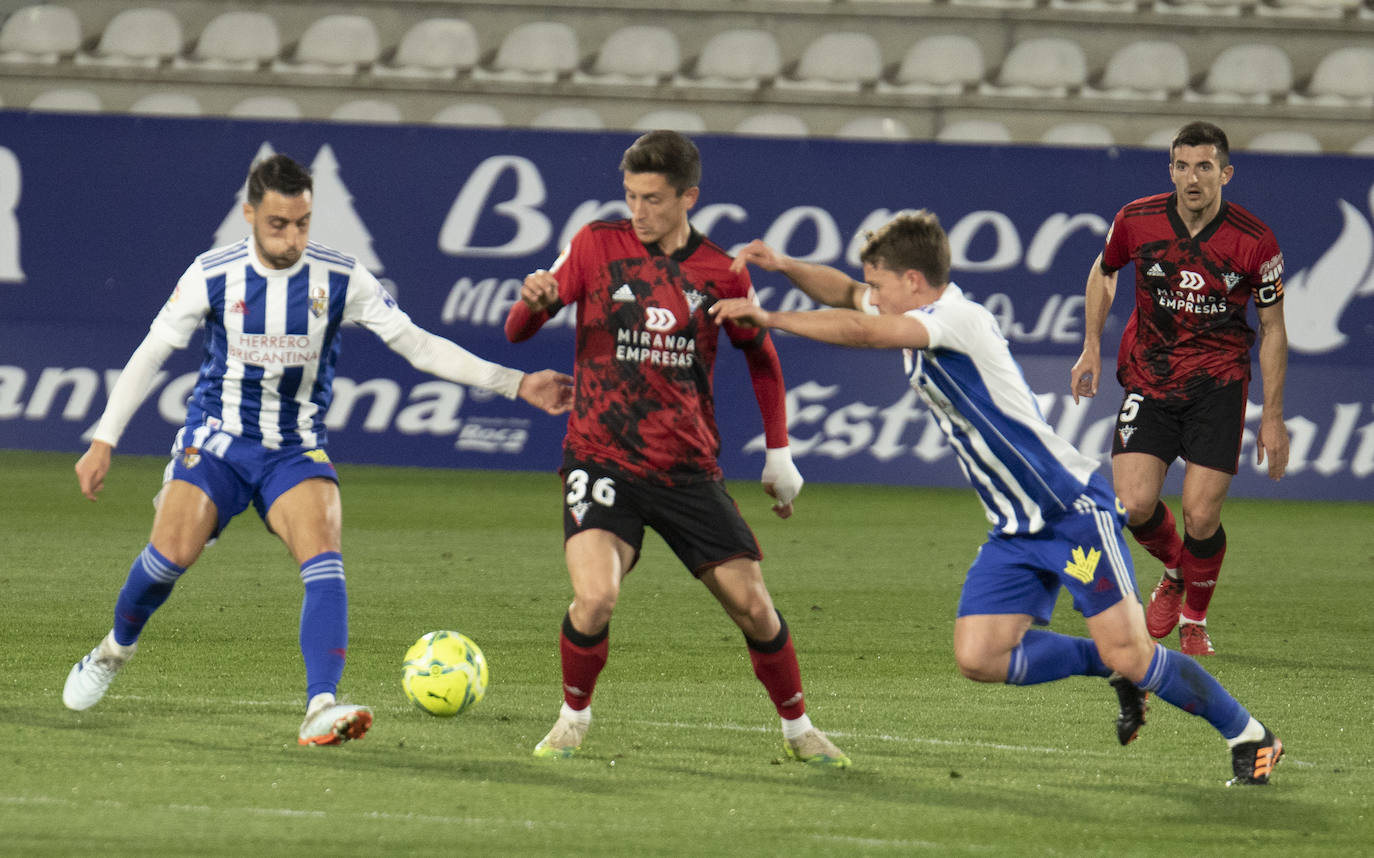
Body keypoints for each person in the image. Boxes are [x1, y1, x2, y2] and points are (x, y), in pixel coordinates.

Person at [717, 211, 1282, 785]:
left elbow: (864, 330)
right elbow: (846, 294)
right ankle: (1110, 668)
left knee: (1136, 653)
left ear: (914, 281)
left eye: (881, 286)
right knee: (980, 656)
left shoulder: (956, 318)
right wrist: (785, 266)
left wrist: (768, 317)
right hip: (1016, 528)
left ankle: (1251, 735)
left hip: (1070, 513)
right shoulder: (913, 306)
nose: (872, 297)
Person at [64, 154, 573, 746]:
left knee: (324, 561)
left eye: (303, 223)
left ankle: (320, 706)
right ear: (251, 215)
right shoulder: (212, 274)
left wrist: (515, 382)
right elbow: (152, 353)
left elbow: (417, 345)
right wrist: (104, 439)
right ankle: (113, 650)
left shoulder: (340, 276)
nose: (293, 237)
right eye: (279, 224)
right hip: (217, 441)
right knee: (168, 557)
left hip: (294, 448)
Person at [503, 130, 849, 767]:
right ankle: (572, 717)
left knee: (754, 607)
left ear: (689, 196)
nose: (639, 211)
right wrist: (535, 305)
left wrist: (779, 454)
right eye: (632, 196)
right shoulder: (593, 245)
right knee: (595, 597)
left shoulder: (722, 273)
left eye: (655, 199)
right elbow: (518, 329)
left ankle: (800, 728)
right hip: (600, 456)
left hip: (687, 469)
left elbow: (763, 359)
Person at [1069, 120, 1289, 657]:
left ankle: (1194, 619)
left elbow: (1274, 327)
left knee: (1200, 515)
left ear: (1226, 173)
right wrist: (1091, 345)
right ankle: (1174, 572)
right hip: (1151, 375)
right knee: (1134, 503)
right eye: (1183, 166)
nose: (1193, 177)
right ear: (1171, 170)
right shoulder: (1137, 219)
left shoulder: (1255, 241)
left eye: (1205, 167)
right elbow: (1104, 271)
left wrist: (1274, 416)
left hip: (1218, 383)